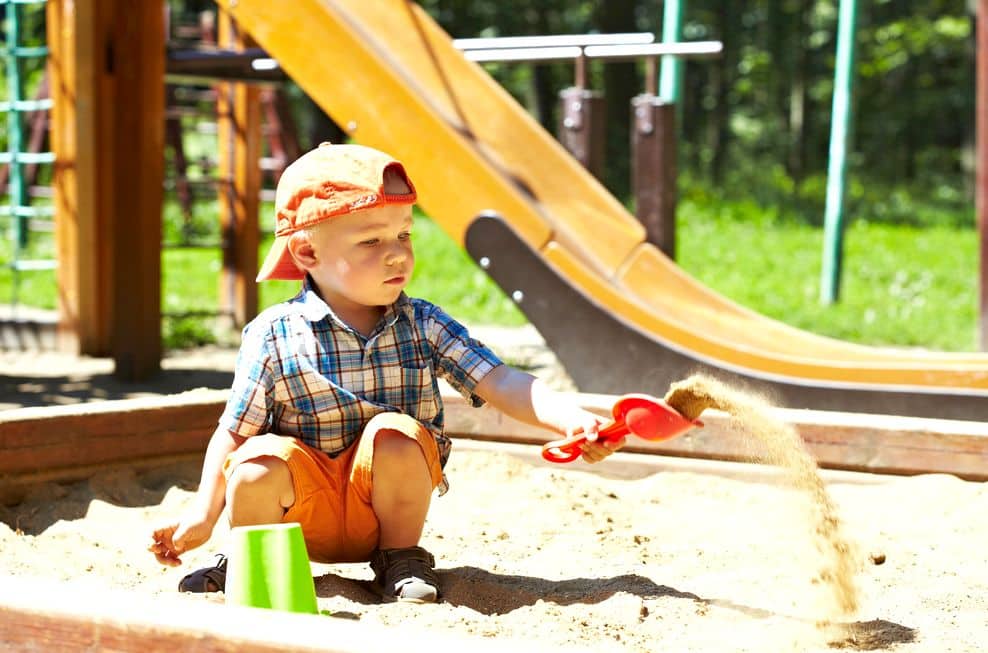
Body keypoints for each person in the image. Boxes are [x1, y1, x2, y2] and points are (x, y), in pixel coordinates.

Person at [148, 142, 625, 603]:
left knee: (393, 433)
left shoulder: (422, 323)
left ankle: (403, 560)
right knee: (257, 462)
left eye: (404, 234)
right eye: (371, 240)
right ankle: (250, 557)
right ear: (307, 253)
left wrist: (570, 418)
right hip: (297, 514)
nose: (397, 253)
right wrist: (203, 515)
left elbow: (499, 380)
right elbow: (232, 434)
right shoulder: (272, 335)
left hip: (382, 511)